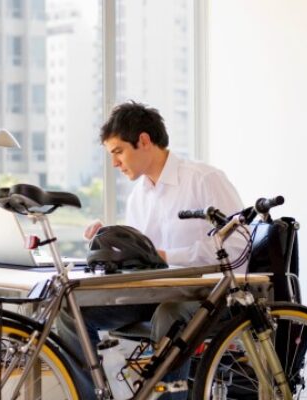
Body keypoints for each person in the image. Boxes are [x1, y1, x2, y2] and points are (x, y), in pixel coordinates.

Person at [56, 101, 246, 399]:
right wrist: (111, 242)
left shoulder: (204, 179)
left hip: (207, 296)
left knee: (170, 316)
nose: (114, 163)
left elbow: (237, 248)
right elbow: (142, 258)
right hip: (156, 294)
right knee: (71, 313)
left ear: (144, 141)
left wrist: (167, 256)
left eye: (118, 151)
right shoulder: (139, 196)